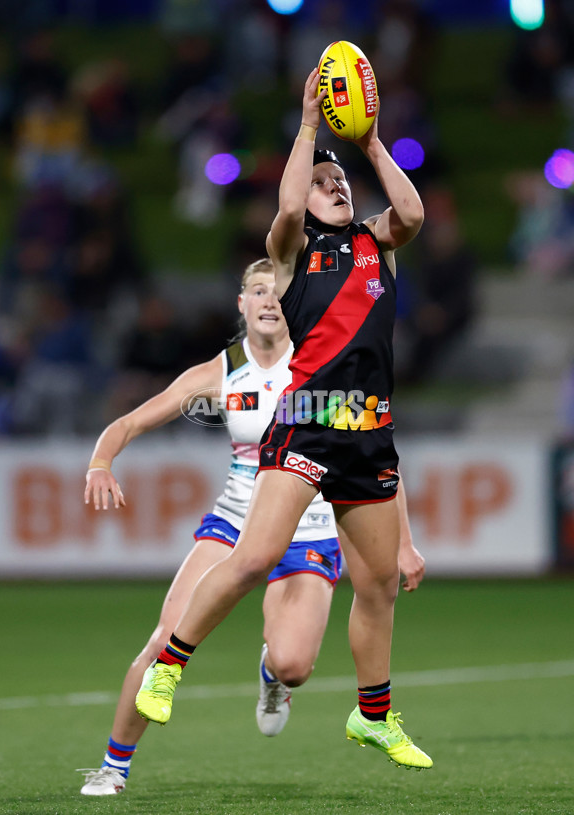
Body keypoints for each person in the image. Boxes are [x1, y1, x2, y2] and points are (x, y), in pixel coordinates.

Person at [135, 68, 433, 770]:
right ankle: (170, 664)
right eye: (325, 183)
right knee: (257, 556)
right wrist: (309, 130)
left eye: (343, 183)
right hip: (305, 421)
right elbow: (290, 208)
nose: (337, 188)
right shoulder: (292, 254)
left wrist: (371, 141)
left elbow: (413, 214)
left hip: (369, 426)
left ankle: (374, 715)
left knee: (379, 582)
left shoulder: (375, 243)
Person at [78, 256, 426, 795]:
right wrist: (101, 463)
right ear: (241, 303)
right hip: (236, 525)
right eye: (256, 291)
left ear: (295, 301)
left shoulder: (328, 366)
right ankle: (113, 766)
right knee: (164, 641)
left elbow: (374, 452)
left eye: (277, 290)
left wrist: (403, 540)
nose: (267, 300)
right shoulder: (218, 374)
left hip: (310, 530)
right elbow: (128, 422)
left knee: (293, 665)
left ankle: (273, 679)